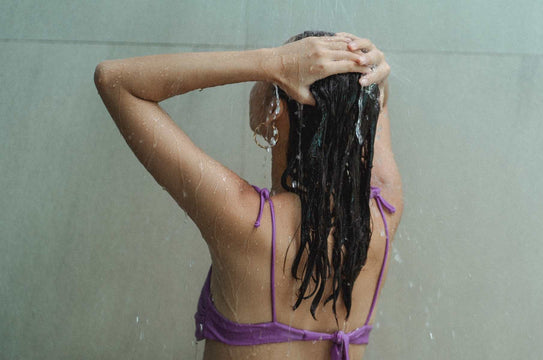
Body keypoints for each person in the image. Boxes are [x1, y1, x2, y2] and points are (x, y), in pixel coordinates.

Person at [95, 30, 403, 360]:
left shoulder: (244, 219)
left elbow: (114, 80)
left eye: (270, 79)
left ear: (276, 108)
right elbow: (371, 110)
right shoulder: (383, 213)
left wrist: (270, 62)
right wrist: (372, 76)